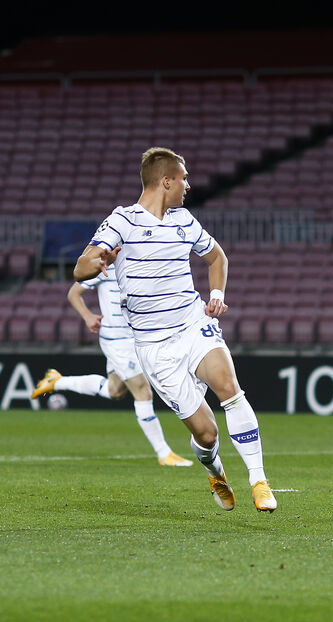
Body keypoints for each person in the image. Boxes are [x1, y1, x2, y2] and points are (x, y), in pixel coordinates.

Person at [72, 146, 276, 512]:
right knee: (207, 433)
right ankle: (215, 471)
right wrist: (98, 259)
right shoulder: (123, 220)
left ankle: (259, 481)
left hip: (192, 323)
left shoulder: (184, 220)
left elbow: (217, 257)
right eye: (183, 178)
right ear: (166, 181)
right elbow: (80, 269)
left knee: (229, 388)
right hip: (153, 346)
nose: (188, 185)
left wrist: (216, 295)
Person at [31, 270, 192, 467]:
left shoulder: (141, 264)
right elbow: (73, 293)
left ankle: (56, 381)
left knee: (114, 391)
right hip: (117, 341)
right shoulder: (105, 267)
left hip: (136, 338)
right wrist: (87, 316)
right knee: (143, 391)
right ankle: (164, 453)